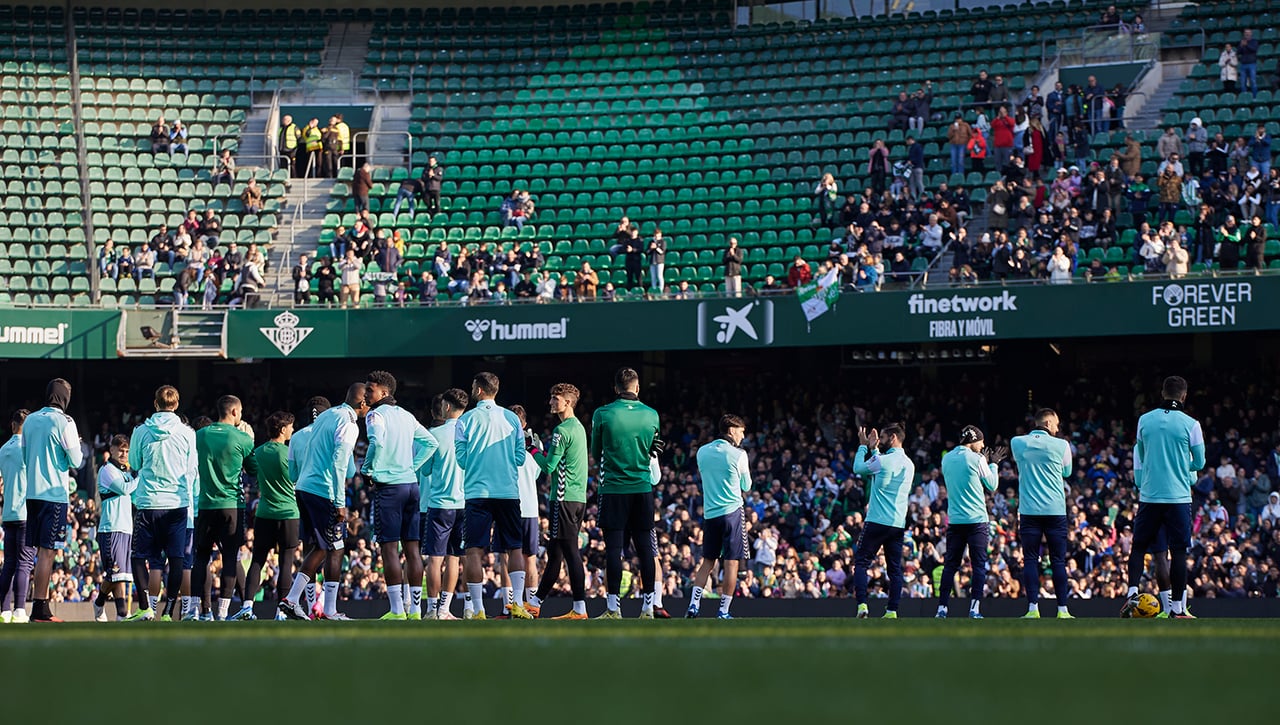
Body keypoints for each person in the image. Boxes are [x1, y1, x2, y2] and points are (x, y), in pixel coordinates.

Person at [279, 384, 365, 621]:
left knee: (322, 546)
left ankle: (310, 605)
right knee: (332, 547)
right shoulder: (348, 424)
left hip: (303, 488)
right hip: (323, 490)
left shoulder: (323, 419)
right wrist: (340, 501)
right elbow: (342, 466)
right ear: (362, 403)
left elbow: (293, 472)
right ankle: (304, 603)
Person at [1122, 376, 1204, 619]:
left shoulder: (1144, 420)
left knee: (1139, 547)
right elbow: (1199, 462)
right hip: (1178, 497)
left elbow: (1142, 453)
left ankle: (1132, 595)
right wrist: (1182, 466)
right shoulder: (1192, 424)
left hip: (1150, 496)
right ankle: (1177, 608)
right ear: (1184, 396)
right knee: (1178, 552)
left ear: (1162, 393)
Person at [454, 372, 530, 620]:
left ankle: (478, 609)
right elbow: (520, 458)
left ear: (478, 390)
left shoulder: (465, 420)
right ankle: (517, 604)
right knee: (514, 548)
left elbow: (461, 460)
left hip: (477, 492)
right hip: (507, 492)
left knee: (474, 550)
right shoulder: (512, 419)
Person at [363, 371, 435, 621]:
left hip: (389, 488)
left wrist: (367, 469)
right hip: (411, 486)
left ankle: (396, 611)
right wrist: (412, 467)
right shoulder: (406, 415)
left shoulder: (375, 415)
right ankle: (415, 611)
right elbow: (431, 443)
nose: (365, 394)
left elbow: (376, 442)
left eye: (370, 390)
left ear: (384, 392)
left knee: (389, 548)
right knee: (412, 548)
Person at [593, 368, 662, 619]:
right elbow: (653, 449)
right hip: (642, 488)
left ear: (615, 388)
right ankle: (648, 608)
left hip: (613, 488)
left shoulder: (603, 413)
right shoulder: (652, 414)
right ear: (638, 387)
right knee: (645, 550)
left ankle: (614, 609)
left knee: (614, 549)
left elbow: (596, 452)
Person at [125, 385, 196, 622]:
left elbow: (135, 463)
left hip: (148, 502)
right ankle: (168, 612)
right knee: (176, 559)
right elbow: (192, 469)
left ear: (156, 404)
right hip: (177, 503)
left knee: (139, 555)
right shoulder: (187, 433)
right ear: (176, 404)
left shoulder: (141, 431)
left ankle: (146, 607)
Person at [18, 380, 83, 622]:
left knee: (38, 551)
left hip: (32, 494)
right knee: (47, 553)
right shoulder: (65, 421)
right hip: (53, 495)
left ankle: (37, 606)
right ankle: (40, 609)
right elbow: (77, 461)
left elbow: (25, 455)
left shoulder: (31, 420)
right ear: (65, 398)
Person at [527, 384, 590, 620]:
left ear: (568, 402)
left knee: (570, 552)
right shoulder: (578, 428)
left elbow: (549, 467)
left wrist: (532, 449)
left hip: (563, 498)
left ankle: (580, 608)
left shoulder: (561, 430)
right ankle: (535, 603)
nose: (551, 402)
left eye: (556, 398)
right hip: (577, 498)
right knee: (556, 552)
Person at [193, 395, 257, 621]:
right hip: (232, 506)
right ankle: (222, 612)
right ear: (234, 412)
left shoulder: (199, 435)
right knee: (230, 557)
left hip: (205, 504)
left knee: (201, 556)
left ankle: (197, 611)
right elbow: (253, 470)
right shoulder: (242, 437)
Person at [231, 412, 297, 621]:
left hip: (265, 513)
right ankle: (281, 612)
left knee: (257, 560)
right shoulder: (289, 453)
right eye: (291, 427)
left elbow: (251, 472)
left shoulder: (257, 452)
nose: (293, 430)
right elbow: (297, 478)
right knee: (286, 562)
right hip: (289, 514)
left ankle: (247, 607)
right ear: (283, 429)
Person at [1010, 408, 1075, 618]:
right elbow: (1067, 472)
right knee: (1058, 560)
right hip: (1055, 510)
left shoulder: (1017, 442)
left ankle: (1032, 609)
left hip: (1029, 510)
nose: (1058, 428)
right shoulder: (1062, 445)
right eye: (1056, 424)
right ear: (1047, 423)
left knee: (1030, 559)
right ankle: (1062, 610)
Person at [686, 414, 751, 620]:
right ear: (731, 430)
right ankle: (723, 611)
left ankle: (694, 605)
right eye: (741, 432)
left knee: (707, 561)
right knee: (731, 563)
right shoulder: (739, 454)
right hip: (732, 513)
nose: (743, 436)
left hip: (710, 513)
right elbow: (747, 485)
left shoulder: (702, 452)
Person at [935, 426, 1005, 619]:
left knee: (950, 566)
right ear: (973, 440)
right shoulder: (977, 458)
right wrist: (994, 464)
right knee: (979, 566)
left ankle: (942, 609)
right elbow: (992, 485)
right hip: (976, 521)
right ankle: (974, 609)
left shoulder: (946, 459)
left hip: (956, 521)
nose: (983, 446)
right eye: (981, 442)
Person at [851, 423, 915, 619]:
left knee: (861, 563)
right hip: (897, 524)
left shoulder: (882, 460)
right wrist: (875, 450)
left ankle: (862, 606)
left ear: (893, 437)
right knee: (894, 570)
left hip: (876, 521)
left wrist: (863, 446)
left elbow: (858, 468)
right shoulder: (910, 464)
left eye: (884, 438)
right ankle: (892, 611)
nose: (881, 441)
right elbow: (883, 470)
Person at [418, 389, 467, 620]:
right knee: (454, 558)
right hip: (464, 503)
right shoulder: (470, 433)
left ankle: (431, 610)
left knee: (435, 559)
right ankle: (446, 609)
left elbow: (425, 470)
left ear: (446, 407)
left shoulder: (434, 435)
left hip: (439, 504)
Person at [495, 405, 541, 618]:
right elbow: (538, 473)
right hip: (529, 507)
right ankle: (531, 606)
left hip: (507, 503)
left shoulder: (499, 443)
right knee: (529, 558)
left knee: (506, 557)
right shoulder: (534, 446)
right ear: (525, 423)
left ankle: (510, 606)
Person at [92, 435, 135, 622]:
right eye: (121, 451)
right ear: (112, 450)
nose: (124, 454)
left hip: (126, 527)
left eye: (127, 451)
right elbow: (125, 489)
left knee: (121, 574)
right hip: (111, 527)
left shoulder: (125, 472)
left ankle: (112, 609)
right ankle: (116, 610)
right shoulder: (107, 470)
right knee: (115, 573)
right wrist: (140, 476)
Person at [0, 409, 32, 623]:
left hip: (8, 513)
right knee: (24, 562)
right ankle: (20, 609)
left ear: (12, 425)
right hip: (26, 512)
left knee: (10, 563)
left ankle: (4, 610)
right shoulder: (29, 448)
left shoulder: (3, 449)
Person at [1237, 29, 1259, 96]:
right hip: (1243, 64)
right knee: (1243, 82)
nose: (1247, 34)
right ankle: (1244, 96)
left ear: (1251, 33)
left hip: (1252, 63)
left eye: (1249, 32)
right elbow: (1238, 52)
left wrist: (1246, 45)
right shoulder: (1241, 42)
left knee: (1253, 80)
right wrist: (1241, 46)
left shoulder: (1254, 41)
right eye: (1246, 32)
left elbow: (1254, 49)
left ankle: (1254, 97)